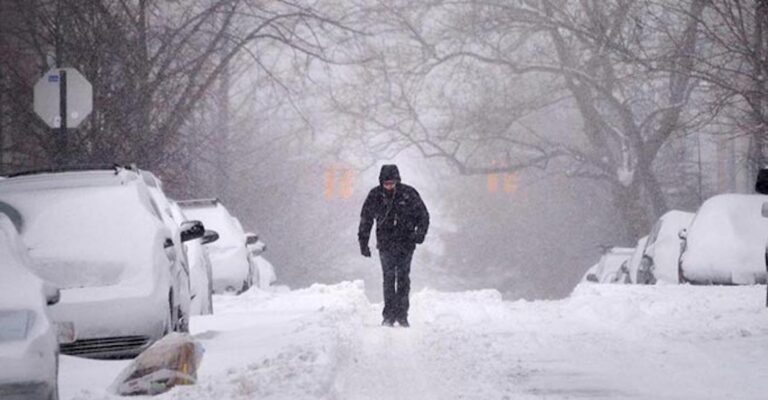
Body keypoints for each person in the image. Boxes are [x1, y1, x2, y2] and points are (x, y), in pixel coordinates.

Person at [358, 165, 429, 327]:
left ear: (397, 181)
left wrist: (420, 234)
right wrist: (363, 242)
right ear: (381, 182)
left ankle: (402, 315)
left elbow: (423, 215)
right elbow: (365, 220)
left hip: (406, 243)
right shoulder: (375, 195)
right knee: (389, 278)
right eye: (386, 183)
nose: (389, 186)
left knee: (403, 278)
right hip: (385, 244)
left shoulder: (409, 194)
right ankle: (389, 315)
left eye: (392, 183)